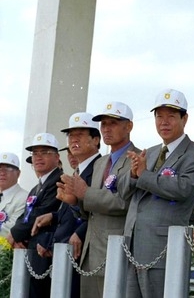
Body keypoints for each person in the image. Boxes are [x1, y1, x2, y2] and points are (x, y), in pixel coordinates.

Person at [122, 89, 194, 298]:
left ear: (184, 118)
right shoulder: (149, 152)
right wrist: (134, 175)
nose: (164, 122)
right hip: (133, 246)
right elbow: (123, 190)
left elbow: (182, 189)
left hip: (163, 249)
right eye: (159, 116)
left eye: (171, 116)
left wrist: (142, 175)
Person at [61, 102, 139, 298]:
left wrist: (85, 194)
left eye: (112, 123)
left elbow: (124, 202)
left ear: (128, 126)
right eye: (103, 124)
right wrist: (74, 202)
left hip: (117, 249)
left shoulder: (137, 158)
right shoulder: (101, 162)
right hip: (90, 251)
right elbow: (90, 212)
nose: (106, 129)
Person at [31, 112, 102, 298]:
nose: (74, 140)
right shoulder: (79, 170)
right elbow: (71, 210)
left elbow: (100, 208)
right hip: (64, 249)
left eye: (80, 135)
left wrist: (81, 232)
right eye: (71, 135)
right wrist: (54, 217)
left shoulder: (101, 167)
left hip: (82, 250)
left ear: (95, 140)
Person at [8, 133, 64, 298]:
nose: (39, 157)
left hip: (44, 252)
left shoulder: (58, 180)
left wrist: (15, 234)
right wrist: (17, 236)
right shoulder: (36, 187)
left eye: (45, 152)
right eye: (35, 153)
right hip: (31, 250)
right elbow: (26, 214)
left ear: (56, 157)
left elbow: (42, 213)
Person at [0, 152, 29, 237]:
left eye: (8, 168)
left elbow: (11, 229)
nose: (2, 173)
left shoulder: (25, 198)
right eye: (0, 169)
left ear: (18, 173)